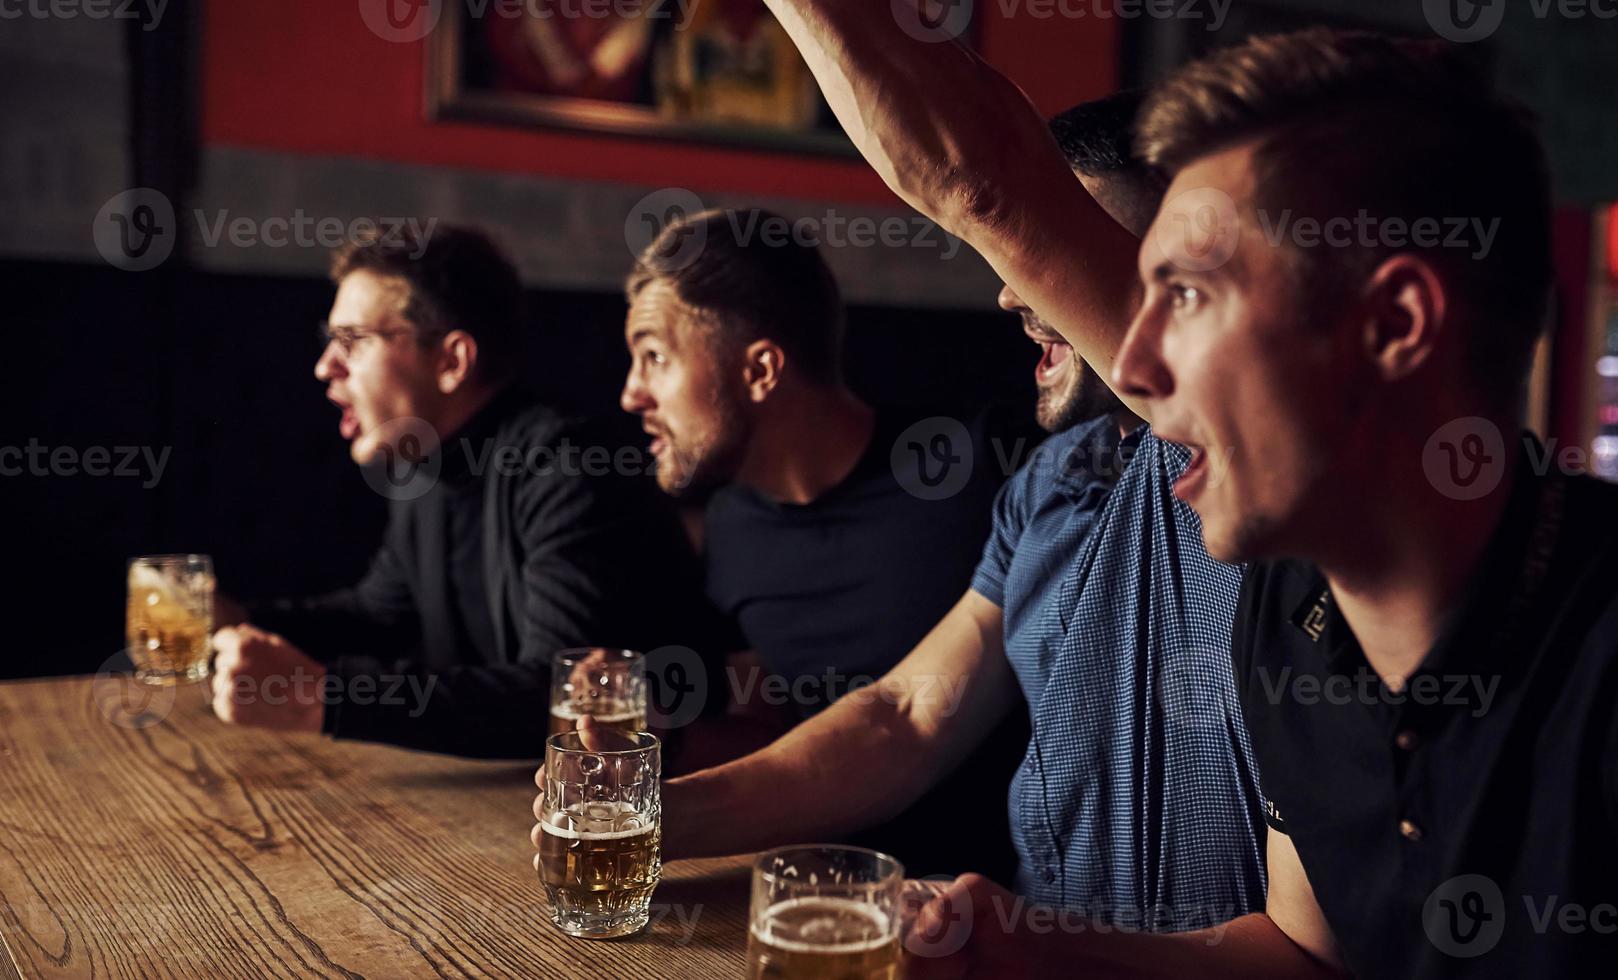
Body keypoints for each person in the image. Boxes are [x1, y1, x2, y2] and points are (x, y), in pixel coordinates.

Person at [752, 9, 1615, 975]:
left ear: (1394, 324)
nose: (1138, 362)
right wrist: (1019, 946)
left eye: (1190, 296)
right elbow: (1304, 957)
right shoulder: (1296, 609)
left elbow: (984, 184)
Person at [538, 95, 1268, 929]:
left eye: (1056, 252)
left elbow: (979, 191)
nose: (1010, 295)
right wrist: (651, 816)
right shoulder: (1052, 480)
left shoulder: (1246, 464)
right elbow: (906, 716)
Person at [615, 204, 1034, 879]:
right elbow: (776, 727)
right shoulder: (731, 524)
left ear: (760, 371)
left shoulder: (982, 469)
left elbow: (903, 722)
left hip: (995, 906)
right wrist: (656, 745)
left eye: (654, 357)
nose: (631, 393)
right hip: (813, 890)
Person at [209, 224, 722, 760]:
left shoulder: (570, 468)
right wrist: (236, 621)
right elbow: (379, 617)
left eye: (353, 341)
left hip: (650, 817)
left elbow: (558, 703)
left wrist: (322, 699)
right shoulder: (424, 465)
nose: (325, 367)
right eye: (330, 341)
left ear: (452, 361)